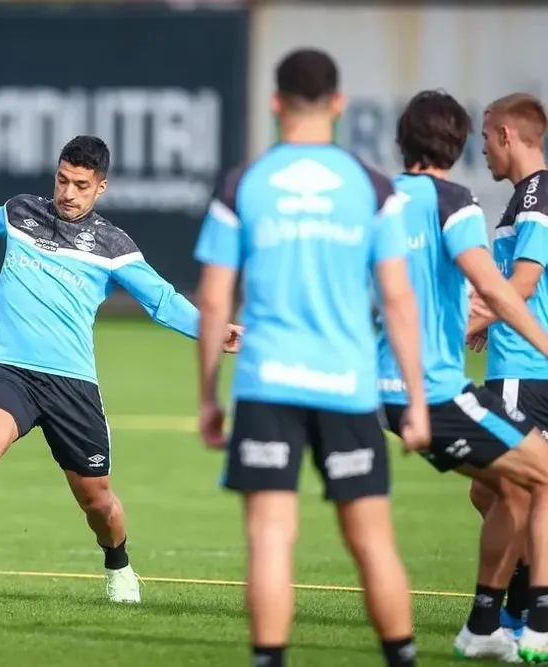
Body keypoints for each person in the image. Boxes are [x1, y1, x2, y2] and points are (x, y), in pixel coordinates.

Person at [0, 134, 244, 607]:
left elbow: (162, 300)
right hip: (11, 370)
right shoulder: (22, 212)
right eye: (63, 180)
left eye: (81, 185)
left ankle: (119, 565)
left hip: (72, 385)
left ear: (100, 188)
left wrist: (213, 331)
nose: (68, 193)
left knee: (97, 500)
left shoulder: (112, 245)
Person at [195, 48, 427, 667]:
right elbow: (399, 302)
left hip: (268, 385)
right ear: (339, 104)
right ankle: (401, 657)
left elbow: (215, 299)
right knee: (372, 542)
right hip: (348, 388)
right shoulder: (373, 188)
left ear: (275, 104)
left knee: (270, 538)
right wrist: (418, 402)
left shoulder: (244, 183)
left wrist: (208, 398)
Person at [369, 89, 548, 662]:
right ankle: (530, 622)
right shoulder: (456, 202)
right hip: (435, 390)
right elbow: (499, 287)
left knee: (513, 489)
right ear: (463, 141)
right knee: (540, 478)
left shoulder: (378, 202)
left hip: (380, 386)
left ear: (402, 141)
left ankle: (488, 624)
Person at [465, 92, 548, 655]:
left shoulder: (536, 198)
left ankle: (523, 612)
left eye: (487, 136)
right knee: (490, 490)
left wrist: (486, 311)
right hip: (513, 360)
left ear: (507, 136)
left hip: (524, 369)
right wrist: (486, 322)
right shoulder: (520, 199)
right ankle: (520, 608)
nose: (484, 148)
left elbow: (522, 281)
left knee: (515, 489)